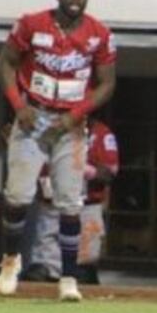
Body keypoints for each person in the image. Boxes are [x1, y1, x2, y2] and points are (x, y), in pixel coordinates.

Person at [0, 0, 117, 302]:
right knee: (17, 196)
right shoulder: (32, 24)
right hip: (33, 117)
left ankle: (68, 278)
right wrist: (18, 106)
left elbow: (107, 82)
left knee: (70, 202)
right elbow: (4, 63)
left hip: (71, 125)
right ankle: (10, 262)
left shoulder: (99, 34)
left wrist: (76, 115)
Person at [23, 118, 119, 285]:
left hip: (86, 207)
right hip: (50, 206)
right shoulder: (46, 129)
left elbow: (110, 173)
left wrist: (84, 170)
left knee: (83, 273)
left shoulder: (101, 134)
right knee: (39, 273)